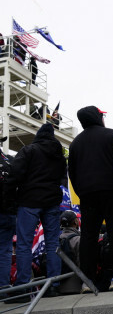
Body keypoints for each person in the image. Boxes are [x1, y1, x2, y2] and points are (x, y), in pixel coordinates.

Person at [68, 106, 113, 293]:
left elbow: (72, 172)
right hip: (112, 191)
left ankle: (87, 281)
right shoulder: (112, 135)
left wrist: (82, 192)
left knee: (88, 236)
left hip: (87, 194)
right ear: (97, 117)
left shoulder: (75, 143)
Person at [4, 124, 66, 301]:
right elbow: (62, 176)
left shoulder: (29, 150)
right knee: (53, 243)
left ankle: (22, 288)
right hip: (52, 202)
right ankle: (53, 285)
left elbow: (14, 175)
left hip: (29, 201)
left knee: (24, 244)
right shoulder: (59, 155)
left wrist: (10, 200)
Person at [0, 137, 16, 290]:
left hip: (8, 213)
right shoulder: (9, 162)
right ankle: (3, 286)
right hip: (7, 212)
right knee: (4, 250)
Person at [58, 210, 81, 294]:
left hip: (59, 286)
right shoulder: (78, 240)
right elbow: (82, 264)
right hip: (76, 286)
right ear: (75, 222)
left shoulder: (55, 241)